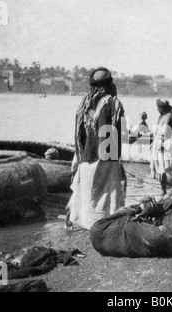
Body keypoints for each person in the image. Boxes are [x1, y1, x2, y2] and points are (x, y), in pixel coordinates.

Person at [67, 67, 126, 230]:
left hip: (86, 157)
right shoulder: (113, 103)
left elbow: (79, 134)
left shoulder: (84, 103)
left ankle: (86, 223)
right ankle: (104, 225)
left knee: (89, 195)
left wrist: (80, 156)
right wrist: (116, 158)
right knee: (107, 196)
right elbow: (118, 133)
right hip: (106, 158)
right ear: (109, 84)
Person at [150, 99, 172, 195]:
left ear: (162, 107)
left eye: (158, 107)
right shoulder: (161, 116)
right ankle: (163, 190)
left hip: (166, 145)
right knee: (159, 170)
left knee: (166, 170)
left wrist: (168, 143)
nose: (157, 109)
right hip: (158, 144)